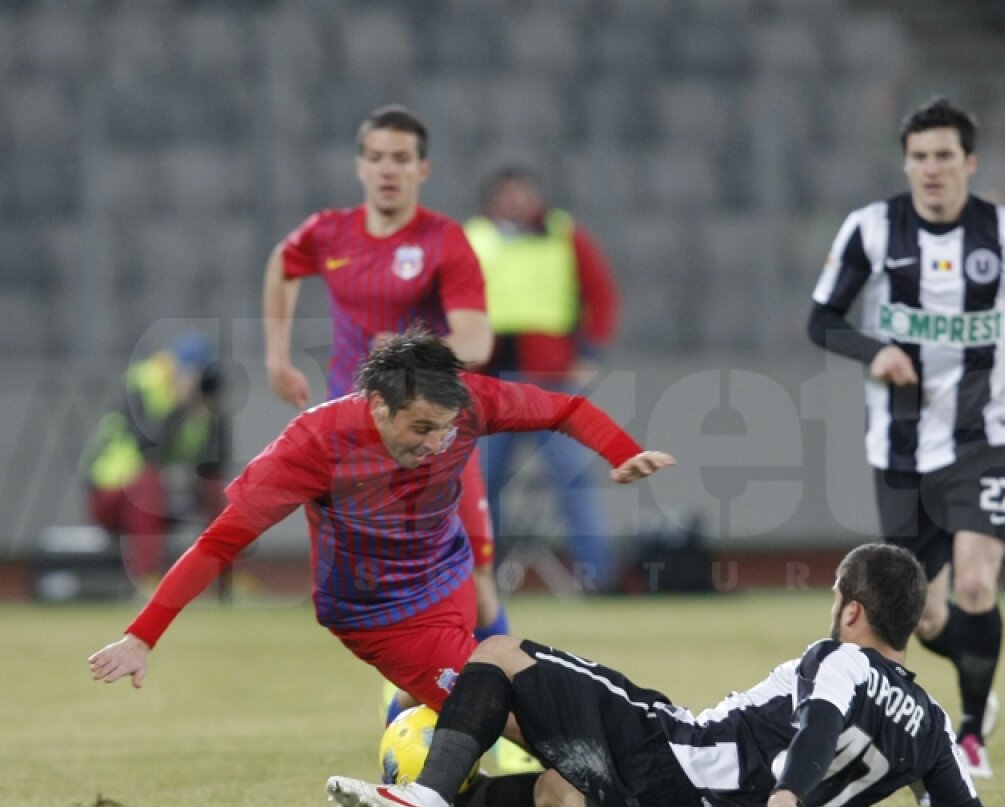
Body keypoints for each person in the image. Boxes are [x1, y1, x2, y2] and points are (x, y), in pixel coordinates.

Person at [88, 333, 675, 709]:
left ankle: (421, 751)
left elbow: (564, 406)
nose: (437, 443)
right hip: (379, 613)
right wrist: (143, 636)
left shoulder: (465, 402)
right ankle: (444, 791)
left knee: (488, 680)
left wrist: (621, 449)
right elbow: (218, 543)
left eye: (446, 429)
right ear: (376, 406)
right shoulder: (313, 445)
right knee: (514, 710)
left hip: (448, 578)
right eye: (422, 429)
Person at [325, 543, 994, 807]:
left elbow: (819, 722)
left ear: (852, 611)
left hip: (676, 758)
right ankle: (454, 804)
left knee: (500, 655)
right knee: (559, 788)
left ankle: (428, 795)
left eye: (833, 599)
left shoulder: (840, 659)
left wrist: (788, 792)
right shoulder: (931, 723)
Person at [806, 97, 1005, 779]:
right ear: (905, 163)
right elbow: (822, 319)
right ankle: (977, 683)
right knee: (923, 615)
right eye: (919, 157)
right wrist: (872, 350)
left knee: (974, 580)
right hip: (900, 447)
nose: (931, 169)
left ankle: (969, 734)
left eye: (943, 156)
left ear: (969, 162)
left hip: (986, 433)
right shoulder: (872, 228)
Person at [260, 104, 509, 642]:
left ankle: (501, 697)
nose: (387, 169)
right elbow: (283, 263)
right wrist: (276, 356)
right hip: (356, 439)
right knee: (383, 587)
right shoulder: (329, 233)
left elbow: (476, 339)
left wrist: (412, 354)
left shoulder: (444, 241)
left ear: (423, 169)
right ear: (360, 167)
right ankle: (421, 697)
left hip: (436, 434)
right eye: (375, 158)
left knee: (478, 576)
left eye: (400, 158)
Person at [464, 166, 622, 591]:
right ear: (491, 200)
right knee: (479, 485)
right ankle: (479, 584)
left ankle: (597, 577)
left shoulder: (564, 236)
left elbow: (601, 295)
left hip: (549, 379)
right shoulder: (472, 238)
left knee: (573, 477)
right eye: (506, 194)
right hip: (490, 381)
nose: (514, 202)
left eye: (521, 193)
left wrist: (590, 353)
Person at [82, 332, 224, 582]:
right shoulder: (141, 383)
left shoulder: (203, 399)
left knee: (212, 485)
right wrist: (179, 406)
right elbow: (148, 448)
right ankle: (147, 577)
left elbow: (213, 464)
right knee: (148, 479)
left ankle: (224, 574)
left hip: (161, 496)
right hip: (109, 494)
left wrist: (210, 415)